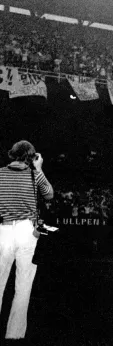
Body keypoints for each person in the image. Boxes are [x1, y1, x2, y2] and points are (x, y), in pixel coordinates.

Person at [0, 140, 53, 340]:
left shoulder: (0, 174)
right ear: (31, 157)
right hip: (27, 231)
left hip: (4, 229)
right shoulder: (33, 175)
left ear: (12, 154)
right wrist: (39, 169)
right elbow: (49, 195)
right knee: (23, 284)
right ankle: (14, 334)